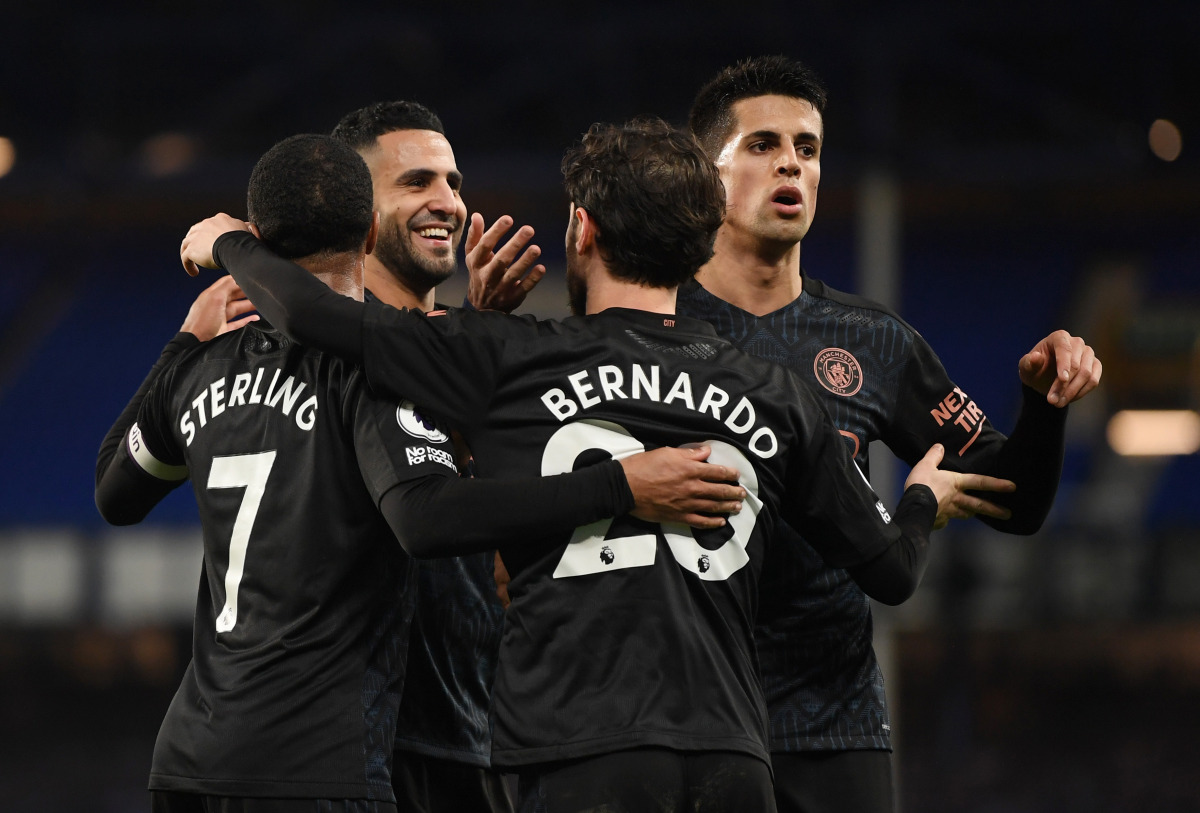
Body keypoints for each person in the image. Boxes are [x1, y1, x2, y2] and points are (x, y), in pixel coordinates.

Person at [179, 118, 1014, 811]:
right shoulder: (780, 394)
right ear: (699, 249)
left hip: (576, 751)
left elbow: (317, 318)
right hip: (733, 755)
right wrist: (919, 500)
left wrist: (232, 246)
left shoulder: (508, 355)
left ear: (583, 229)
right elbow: (893, 572)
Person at [96, 133, 744, 813]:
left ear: (259, 238)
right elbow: (427, 516)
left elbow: (115, 491)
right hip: (319, 760)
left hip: (190, 758)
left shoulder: (201, 368)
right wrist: (620, 484)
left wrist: (182, 343)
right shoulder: (373, 372)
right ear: (371, 231)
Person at [681, 55, 1103, 813]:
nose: (791, 163)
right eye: (762, 144)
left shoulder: (873, 342)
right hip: (686, 720)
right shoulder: (653, 328)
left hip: (833, 725)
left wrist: (1042, 406)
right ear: (707, 174)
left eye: (807, 148)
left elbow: (1016, 500)